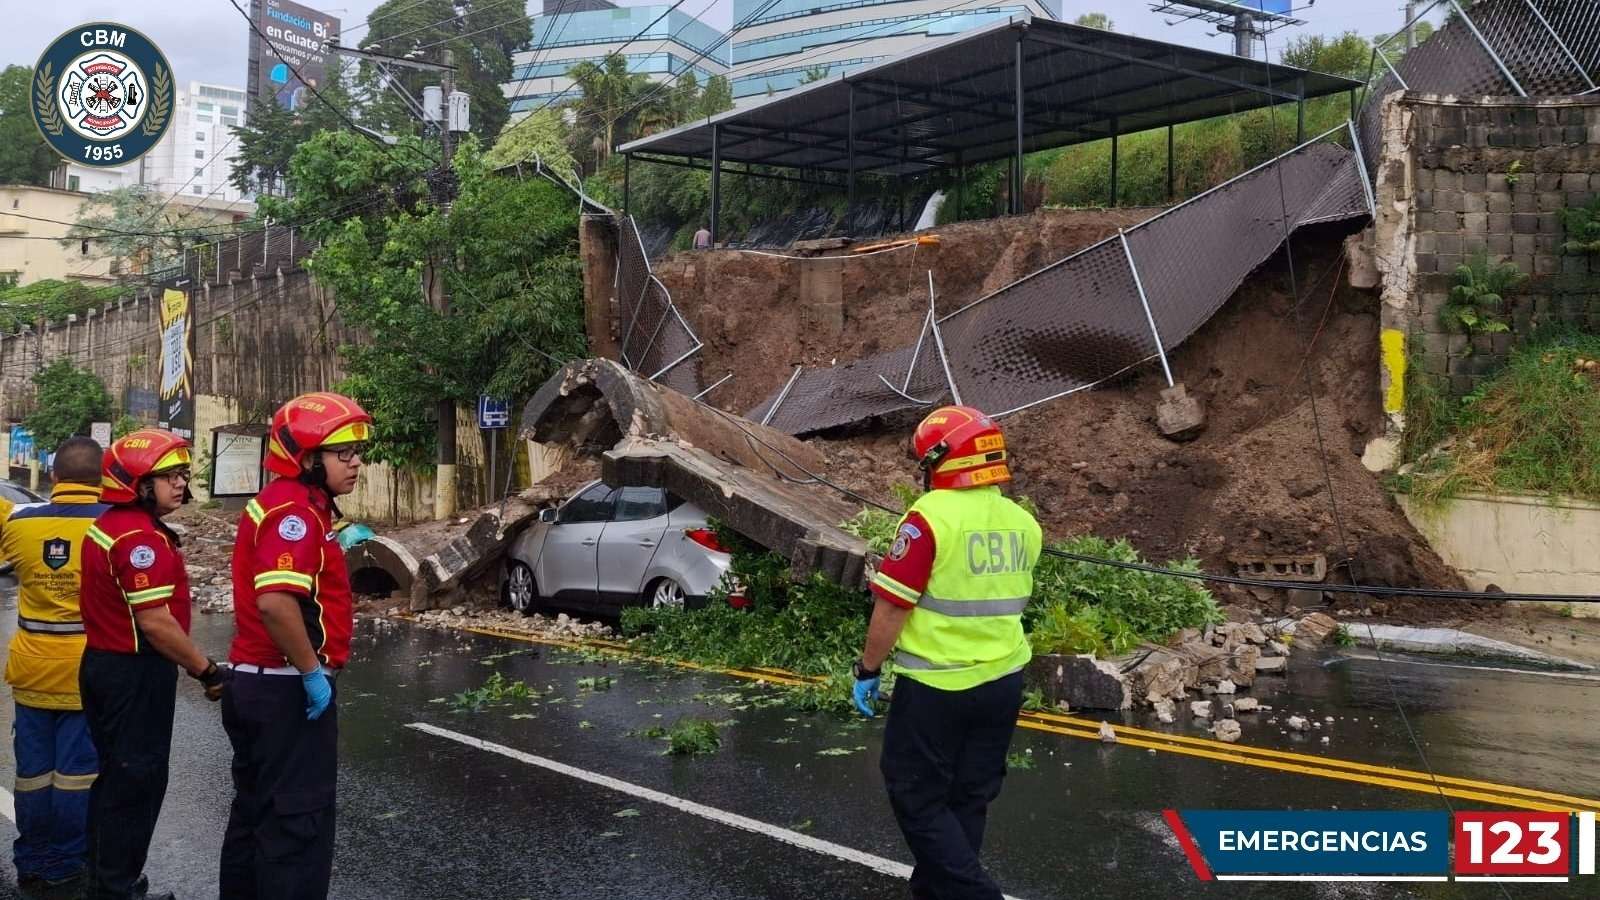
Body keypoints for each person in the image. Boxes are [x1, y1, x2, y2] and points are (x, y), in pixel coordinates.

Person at [851, 405, 1041, 900]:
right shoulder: (1024, 524)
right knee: (969, 798)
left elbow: (892, 607)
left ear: (941, 459)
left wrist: (867, 668)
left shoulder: (928, 519)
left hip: (937, 687)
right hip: (1003, 682)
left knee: (915, 796)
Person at [220, 391, 370, 900]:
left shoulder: (292, 504)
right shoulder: (295, 512)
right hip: (285, 691)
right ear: (307, 459)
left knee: (255, 819)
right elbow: (277, 603)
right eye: (342, 453)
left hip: (260, 686)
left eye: (357, 452)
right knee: (295, 830)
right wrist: (311, 674)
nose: (356, 463)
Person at [79, 429, 228, 900]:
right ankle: (117, 888)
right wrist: (206, 669)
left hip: (106, 666)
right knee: (136, 784)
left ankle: (106, 879)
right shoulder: (138, 538)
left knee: (117, 779)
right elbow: (156, 624)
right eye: (168, 476)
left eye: (182, 474)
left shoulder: (113, 524)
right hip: (133, 673)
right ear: (138, 484)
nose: (181, 483)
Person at [1, 437, 106, 896]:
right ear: (101, 480)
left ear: (56, 477)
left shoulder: (18, 520)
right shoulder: (113, 525)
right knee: (77, 776)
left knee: (33, 774)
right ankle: (66, 861)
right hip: (87, 673)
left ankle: (31, 859)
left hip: (31, 671)